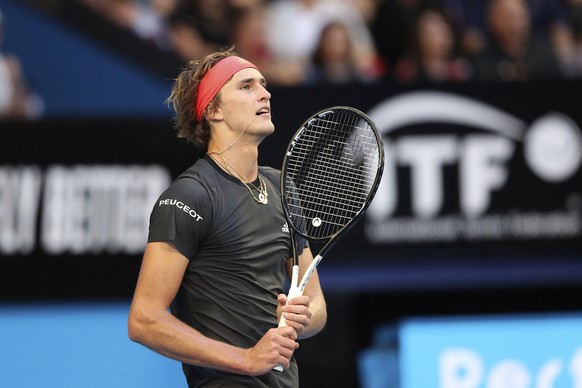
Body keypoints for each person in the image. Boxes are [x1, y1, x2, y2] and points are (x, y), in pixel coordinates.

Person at [128, 47, 327, 387]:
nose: (264, 93)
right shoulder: (190, 195)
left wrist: (300, 318)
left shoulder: (281, 187)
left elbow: (317, 305)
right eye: (246, 86)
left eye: (263, 84)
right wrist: (245, 359)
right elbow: (144, 320)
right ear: (214, 110)